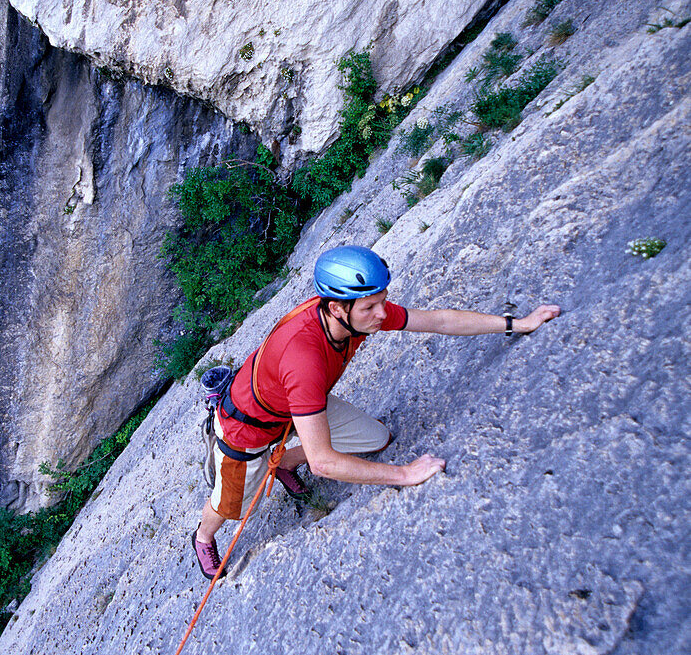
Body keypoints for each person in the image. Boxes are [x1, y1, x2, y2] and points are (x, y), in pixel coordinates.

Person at [191, 245, 561, 579]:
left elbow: (438, 321)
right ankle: (203, 536)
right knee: (232, 505)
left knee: (376, 438)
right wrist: (404, 475)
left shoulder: (354, 309)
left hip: (298, 403)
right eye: (371, 307)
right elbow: (322, 464)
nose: (382, 314)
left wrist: (517, 324)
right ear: (336, 308)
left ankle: (285, 461)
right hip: (249, 428)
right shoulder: (305, 357)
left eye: (382, 301)